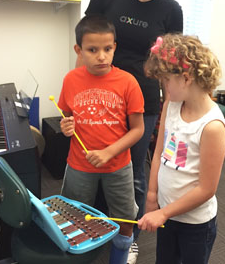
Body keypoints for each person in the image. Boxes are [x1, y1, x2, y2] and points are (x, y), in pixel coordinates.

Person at [81, 0, 184, 261]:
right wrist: (77, 89)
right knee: (95, 163)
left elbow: (170, 63)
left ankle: (129, 234)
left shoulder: (171, 10)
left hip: (143, 98)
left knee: (134, 171)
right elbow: (87, 41)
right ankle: (95, 226)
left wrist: (172, 110)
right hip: (100, 94)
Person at [58, 15, 145, 264]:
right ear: (79, 50)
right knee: (74, 217)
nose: (101, 56)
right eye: (92, 50)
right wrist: (67, 125)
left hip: (117, 165)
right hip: (79, 164)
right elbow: (66, 113)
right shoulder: (71, 79)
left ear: (115, 47)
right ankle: (79, 257)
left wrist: (109, 152)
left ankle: (119, 257)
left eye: (107, 49)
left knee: (125, 219)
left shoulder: (128, 82)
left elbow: (138, 129)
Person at [138, 34, 225, 264]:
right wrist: (151, 195)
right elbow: (158, 153)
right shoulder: (171, 104)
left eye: (166, 81)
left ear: (186, 78)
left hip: (195, 224)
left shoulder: (212, 127)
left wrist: (164, 213)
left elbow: (207, 189)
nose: (164, 88)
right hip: (167, 213)